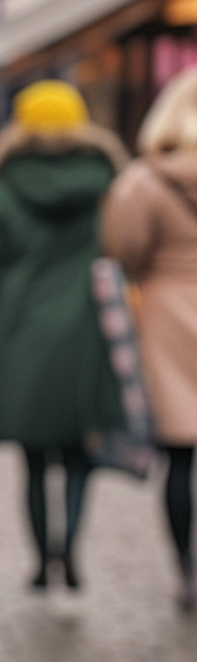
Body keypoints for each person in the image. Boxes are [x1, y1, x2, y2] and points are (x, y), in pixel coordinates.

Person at [0, 79, 126, 591]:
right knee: (78, 453)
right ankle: (69, 547)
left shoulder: (4, 185)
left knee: (31, 460)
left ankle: (39, 562)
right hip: (85, 327)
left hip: (17, 329)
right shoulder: (106, 180)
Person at [102, 66, 197, 612]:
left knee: (181, 458)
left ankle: (187, 568)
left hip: (166, 314)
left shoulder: (145, 180)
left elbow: (124, 249)